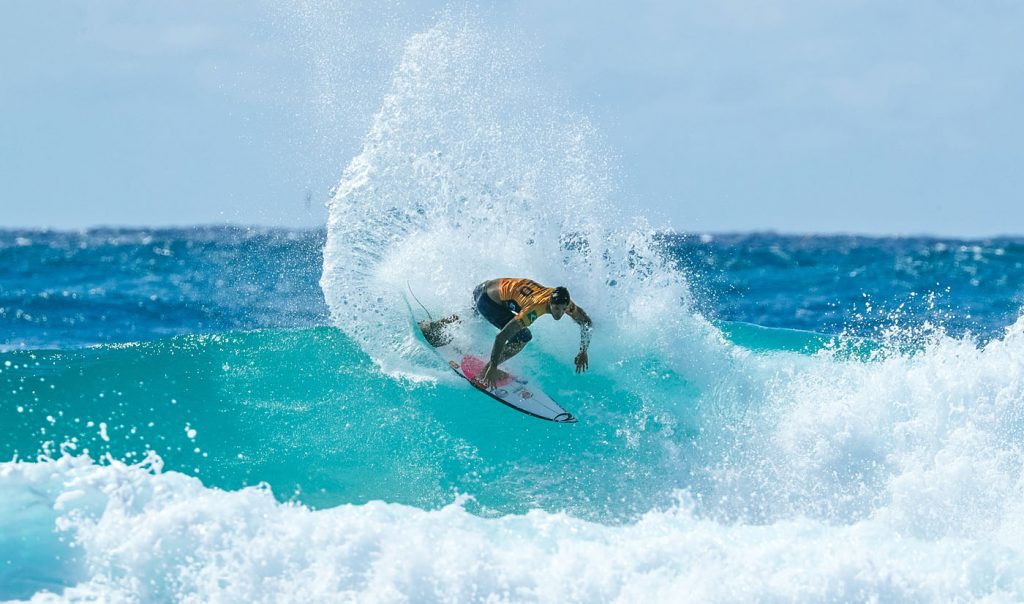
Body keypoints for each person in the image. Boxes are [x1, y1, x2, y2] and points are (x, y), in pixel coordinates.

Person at [420, 278, 593, 388]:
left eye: (563, 309)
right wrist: (494, 366)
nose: (559, 313)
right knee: (524, 336)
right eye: (556, 308)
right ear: (550, 302)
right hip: (487, 298)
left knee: (473, 316)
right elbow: (501, 337)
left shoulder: (567, 304)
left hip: (485, 288)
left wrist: (583, 350)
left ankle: (434, 327)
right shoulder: (535, 308)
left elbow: (586, 322)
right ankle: (487, 370)